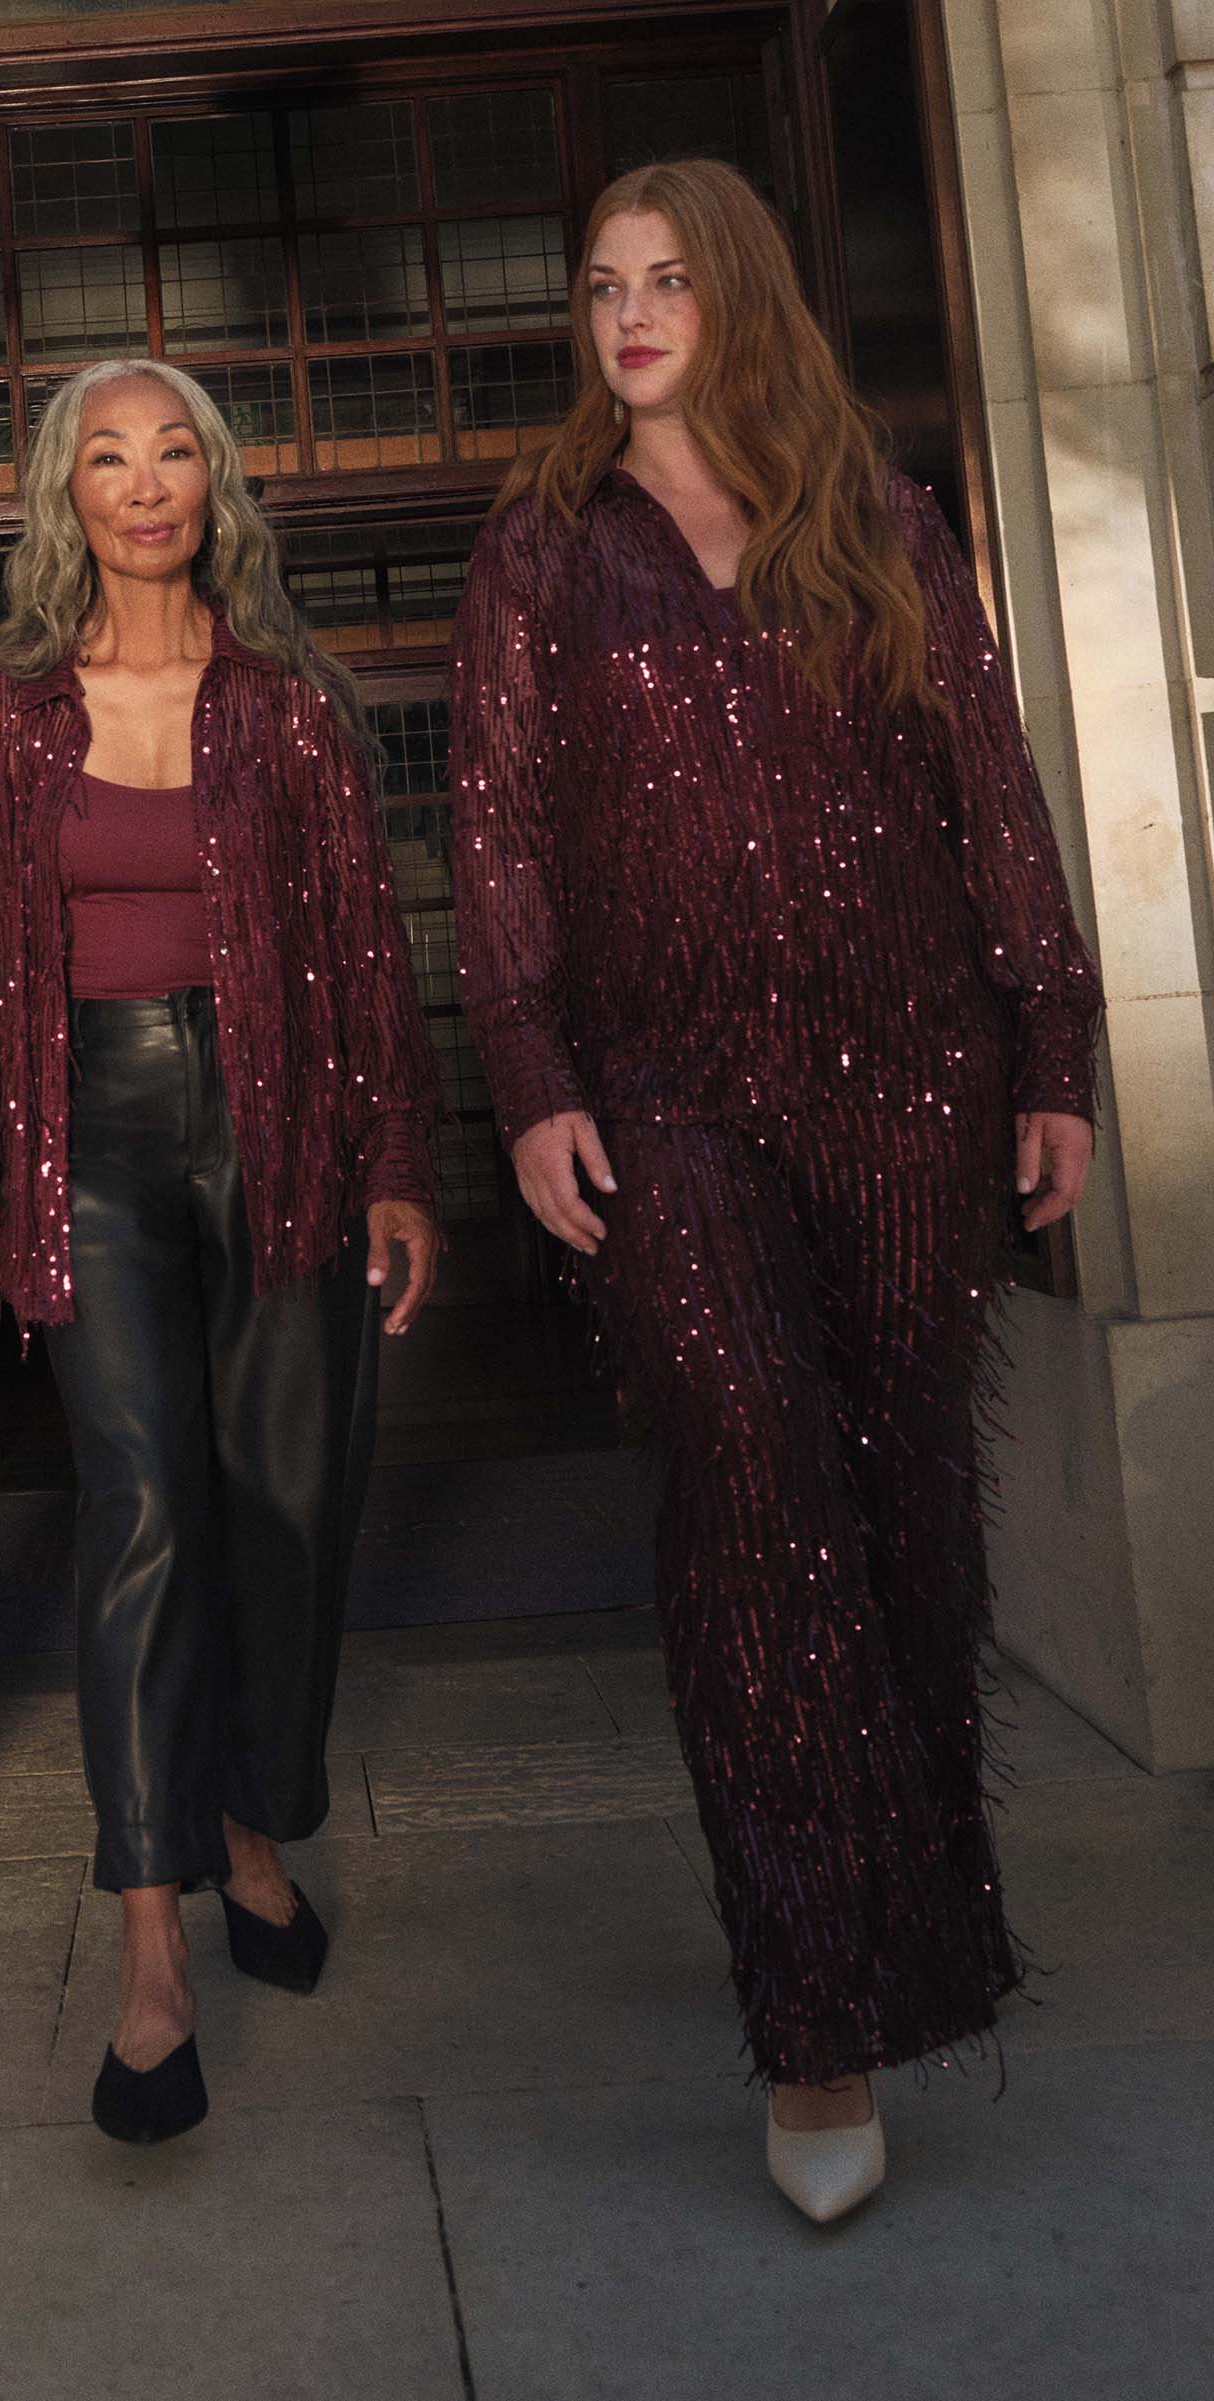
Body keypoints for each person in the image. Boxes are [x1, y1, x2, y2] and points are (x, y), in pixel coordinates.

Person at [448, 161, 1103, 2222]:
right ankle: (817, 2024)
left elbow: (988, 799)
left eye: (666, 280)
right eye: (599, 283)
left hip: (914, 1082)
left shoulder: (883, 528)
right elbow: (496, 845)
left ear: (737, 301)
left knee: (902, 1508)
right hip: (665, 1099)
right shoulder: (542, 549)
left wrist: (1050, 1047)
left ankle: (911, 1936)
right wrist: (534, 1075)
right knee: (755, 1492)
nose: (628, 313)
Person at [0, 359, 441, 2142]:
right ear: (66, 492)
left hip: (281, 1118)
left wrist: (393, 1161)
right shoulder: (0, 712)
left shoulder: (288, 700)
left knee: (284, 1504)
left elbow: (368, 945)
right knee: (139, 1509)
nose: (145, 485)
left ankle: (240, 1816)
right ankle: (151, 1950)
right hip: (89, 1136)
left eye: (176, 454)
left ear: (216, 482)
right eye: (108, 458)